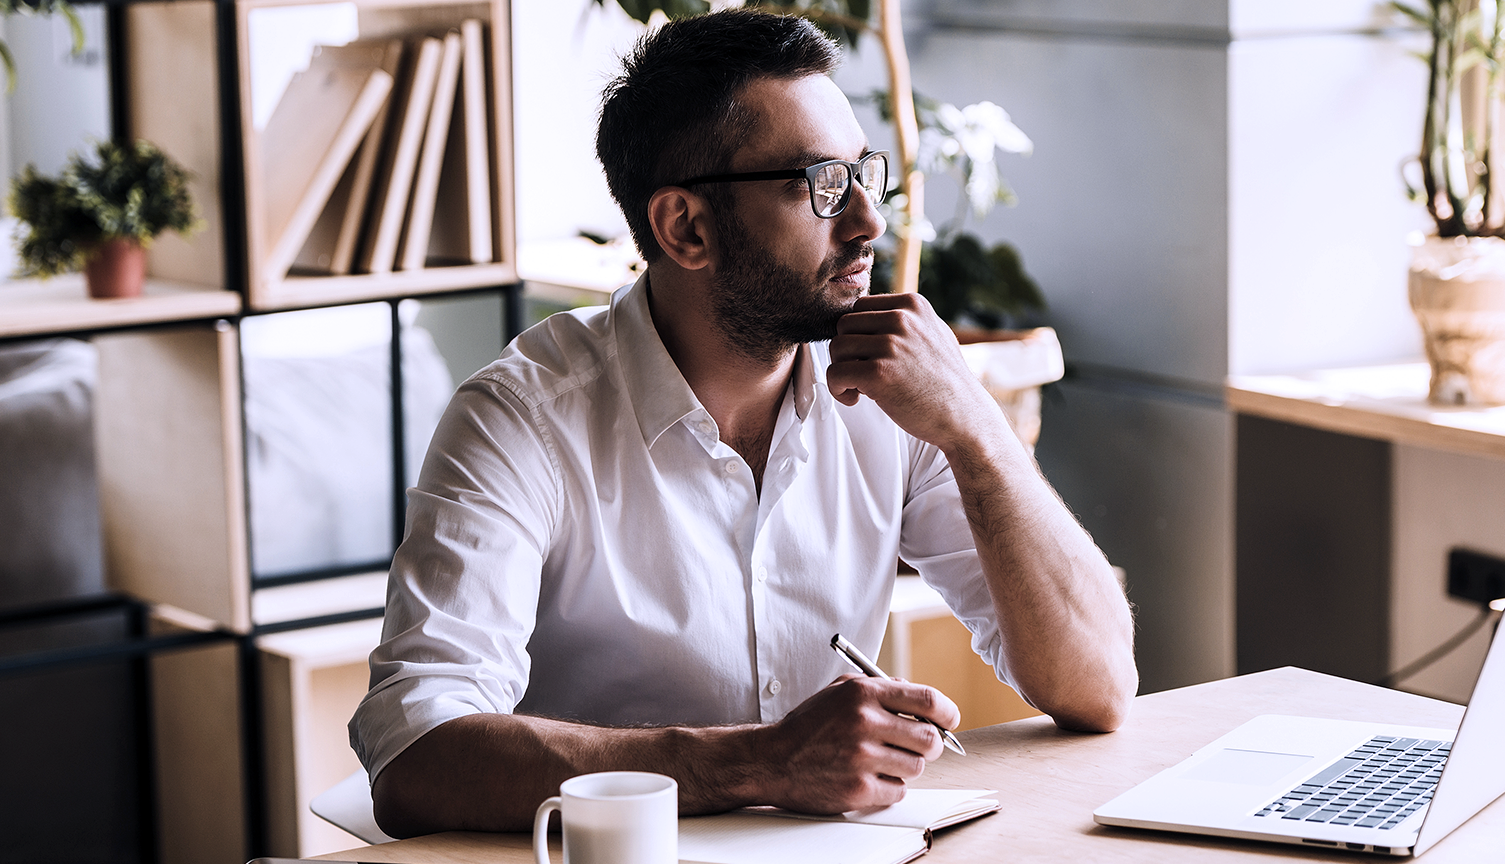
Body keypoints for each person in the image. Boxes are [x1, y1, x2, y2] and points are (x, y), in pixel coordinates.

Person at [351, 8, 1137, 837]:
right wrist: (759, 762)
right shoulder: (521, 421)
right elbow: (415, 757)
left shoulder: (901, 395)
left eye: (864, 174)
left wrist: (978, 431)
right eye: (821, 186)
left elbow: (1098, 686)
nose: (870, 221)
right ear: (685, 227)